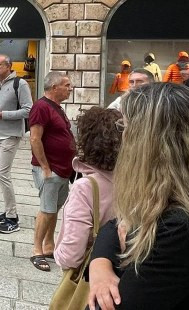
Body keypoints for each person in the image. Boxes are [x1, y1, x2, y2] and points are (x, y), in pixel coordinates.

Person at [87, 83, 189, 310]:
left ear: (148, 144)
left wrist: (120, 247)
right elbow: (115, 224)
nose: (123, 137)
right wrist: (100, 265)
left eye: (125, 126)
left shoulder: (180, 228)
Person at [54, 107, 121, 270]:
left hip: (93, 276)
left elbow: (71, 256)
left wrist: (58, 254)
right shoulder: (137, 179)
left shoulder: (85, 187)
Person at [28, 72, 75, 272]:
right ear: (54, 87)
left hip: (63, 169)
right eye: (67, 85)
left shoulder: (57, 107)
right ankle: (37, 251)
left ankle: (49, 245)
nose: (70, 88)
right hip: (51, 169)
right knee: (47, 209)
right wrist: (46, 167)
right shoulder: (41, 107)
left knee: (54, 208)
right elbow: (35, 139)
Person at [0, 54, 33, 234]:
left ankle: (12, 218)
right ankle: (7, 211)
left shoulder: (19, 84)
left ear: (8, 66)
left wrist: (2, 115)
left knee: (2, 174)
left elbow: (28, 110)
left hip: (10, 135)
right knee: (0, 175)